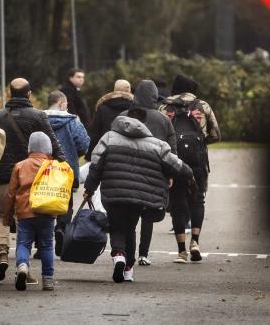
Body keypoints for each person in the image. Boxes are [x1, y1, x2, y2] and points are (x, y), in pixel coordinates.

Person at [84, 109, 194, 283]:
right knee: (130, 228)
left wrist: (89, 188)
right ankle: (128, 267)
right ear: (144, 124)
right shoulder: (156, 145)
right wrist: (190, 176)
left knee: (116, 226)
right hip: (139, 197)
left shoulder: (108, 138)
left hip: (113, 193)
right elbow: (175, 165)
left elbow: (96, 165)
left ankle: (118, 255)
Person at [0, 78, 64, 282]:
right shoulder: (38, 116)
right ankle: (26, 268)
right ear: (29, 94)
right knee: (30, 219)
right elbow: (53, 145)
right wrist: (62, 167)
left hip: (2, 176)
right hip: (35, 179)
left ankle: (2, 253)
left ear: (10, 93)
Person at [161, 74, 220, 264]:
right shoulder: (202, 106)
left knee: (177, 204)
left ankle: (181, 252)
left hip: (173, 160)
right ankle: (195, 241)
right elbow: (216, 134)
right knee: (197, 200)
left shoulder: (164, 107)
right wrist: (202, 142)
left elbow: (158, 136)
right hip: (198, 161)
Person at [120, 80, 177, 266]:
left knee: (129, 216)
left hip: (127, 171)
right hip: (154, 173)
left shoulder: (124, 116)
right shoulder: (163, 120)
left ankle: (129, 255)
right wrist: (170, 175)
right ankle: (144, 253)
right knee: (147, 215)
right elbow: (171, 151)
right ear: (154, 96)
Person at [3, 132, 60, 291]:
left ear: (30, 148)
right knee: (47, 246)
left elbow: (11, 193)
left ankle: (22, 266)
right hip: (47, 212)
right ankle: (48, 280)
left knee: (23, 243)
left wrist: (7, 217)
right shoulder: (53, 166)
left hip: (24, 212)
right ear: (48, 148)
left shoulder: (20, 166)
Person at [45, 90, 90, 254]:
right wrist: (74, 154)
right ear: (61, 104)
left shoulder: (38, 119)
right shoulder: (72, 121)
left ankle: (42, 241)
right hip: (66, 169)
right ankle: (61, 228)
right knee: (66, 203)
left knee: (42, 201)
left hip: (43, 170)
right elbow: (85, 144)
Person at [86, 79, 133, 160]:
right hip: (128, 152)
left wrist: (89, 155)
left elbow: (95, 134)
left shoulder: (102, 108)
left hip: (106, 152)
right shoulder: (135, 109)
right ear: (129, 90)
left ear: (114, 90)